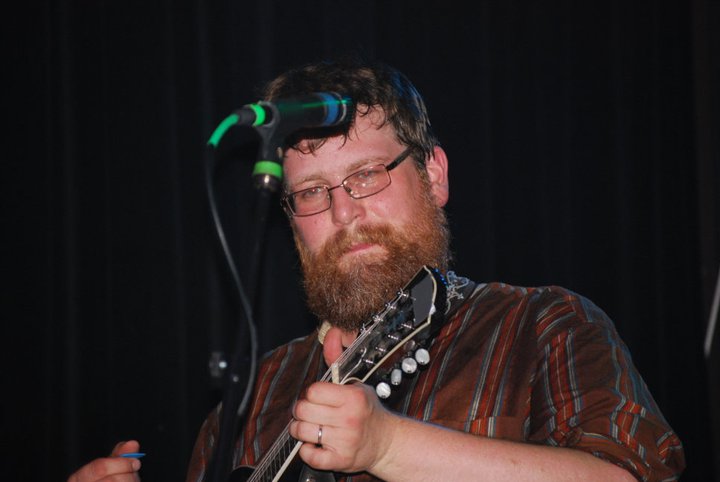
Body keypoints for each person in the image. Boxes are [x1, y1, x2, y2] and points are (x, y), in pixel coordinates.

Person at [69, 58, 685, 482]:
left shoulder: (544, 325)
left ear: (434, 176)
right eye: (311, 192)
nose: (344, 212)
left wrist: (390, 446)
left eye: (365, 175)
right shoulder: (249, 401)